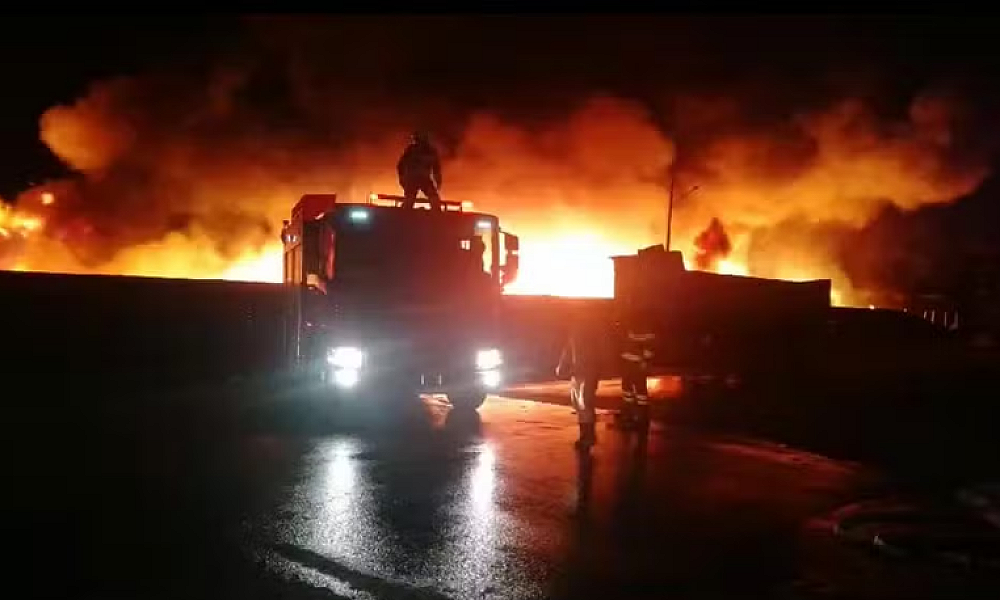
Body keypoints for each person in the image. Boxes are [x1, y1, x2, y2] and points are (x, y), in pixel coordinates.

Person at [557, 312, 604, 450]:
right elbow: (568, 350)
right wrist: (563, 366)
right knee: (580, 404)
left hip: (587, 373)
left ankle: (588, 436)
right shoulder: (577, 332)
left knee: (585, 404)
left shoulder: (587, 332)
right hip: (579, 373)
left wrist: (563, 367)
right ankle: (586, 435)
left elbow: (570, 351)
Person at [618, 305, 656, 432]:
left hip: (635, 364)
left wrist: (644, 361)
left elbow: (649, 347)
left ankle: (640, 418)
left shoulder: (642, 327)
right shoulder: (630, 326)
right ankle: (632, 417)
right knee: (629, 390)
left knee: (639, 392)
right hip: (630, 363)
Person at [397, 130, 443, 210]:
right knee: (410, 199)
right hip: (413, 179)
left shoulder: (428, 151)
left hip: (421, 179)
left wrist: (438, 180)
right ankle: (405, 213)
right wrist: (402, 178)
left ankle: (436, 214)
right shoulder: (412, 150)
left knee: (433, 198)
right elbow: (401, 165)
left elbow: (436, 168)